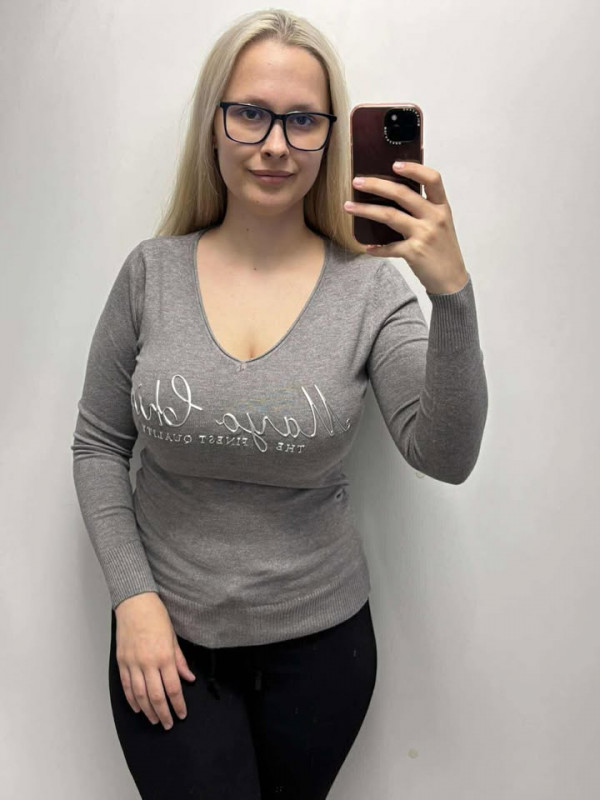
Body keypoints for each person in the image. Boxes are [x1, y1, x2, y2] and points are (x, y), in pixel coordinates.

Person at [71, 8, 488, 799]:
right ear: (214, 124)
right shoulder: (151, 273)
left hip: (322, 654)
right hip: (166, 645)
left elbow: (447, 455)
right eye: (250, 113)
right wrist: (133, 598)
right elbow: (97, 445)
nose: (274, 144)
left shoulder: (372, 290)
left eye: (302, 120)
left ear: (331, 137)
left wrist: (451, 294)